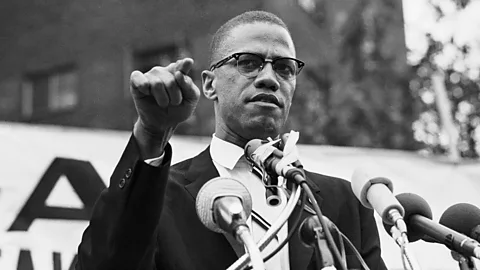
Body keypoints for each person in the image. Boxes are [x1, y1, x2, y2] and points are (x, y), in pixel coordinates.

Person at [76, 10, 387, 270]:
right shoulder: (160, 195)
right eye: (248, 63)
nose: (268, 78)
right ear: (210, 85)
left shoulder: (343, 202)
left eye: (284, 68)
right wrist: (152, 133)